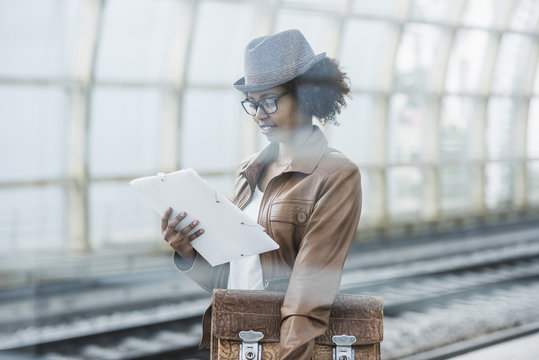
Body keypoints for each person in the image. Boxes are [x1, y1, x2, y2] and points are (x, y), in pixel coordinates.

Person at [161, 29, 362, 360]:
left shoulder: (336, 174)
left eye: (270, 101)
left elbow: (310, 290)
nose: (258, 114)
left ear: (308, 95)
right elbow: (230, 279)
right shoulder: (248, 170)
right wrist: (188, 252)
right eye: (252, 104)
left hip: (288, 348)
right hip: (238, 340)